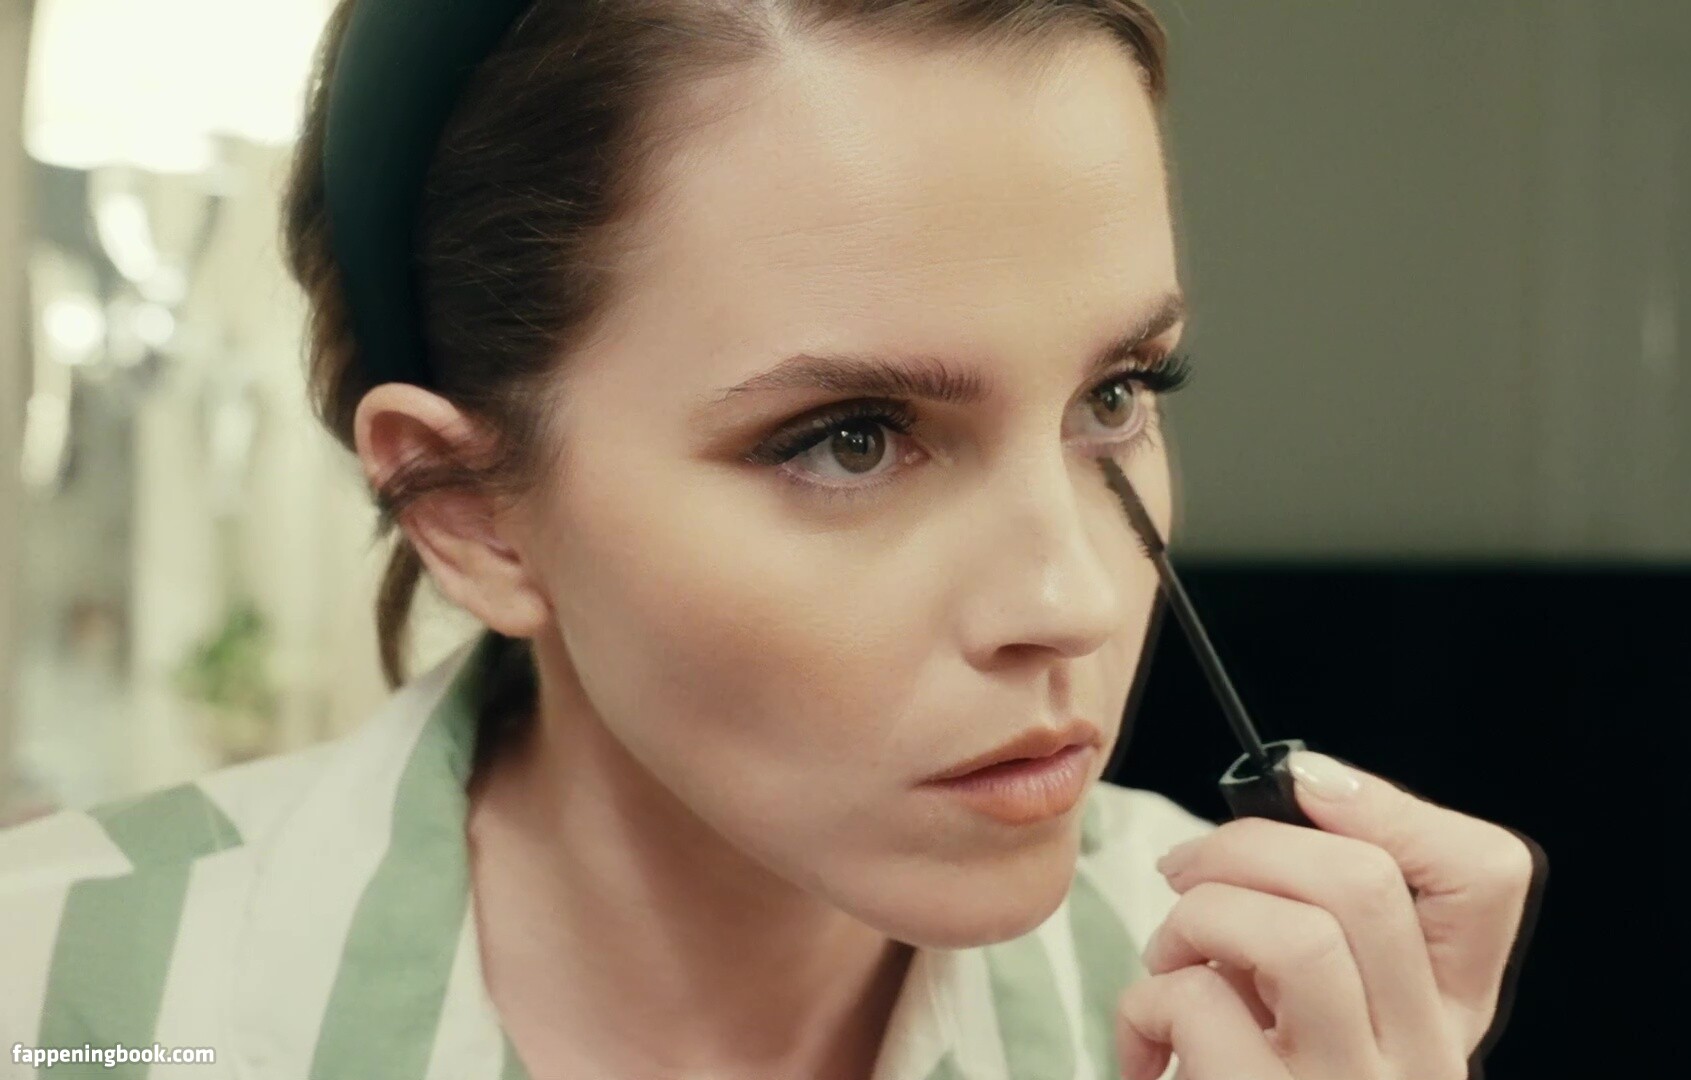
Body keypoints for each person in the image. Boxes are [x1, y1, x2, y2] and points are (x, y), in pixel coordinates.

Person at [0, 2, 1541, 1078]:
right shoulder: (60, 996)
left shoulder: (1271, 1012)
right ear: (471, 514)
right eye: (851, 438)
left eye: (1117, 394)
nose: (1071, 597)